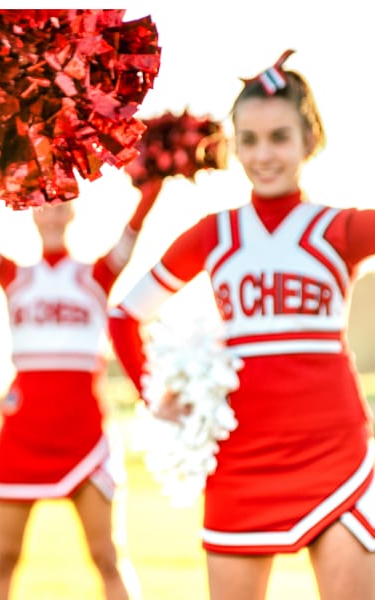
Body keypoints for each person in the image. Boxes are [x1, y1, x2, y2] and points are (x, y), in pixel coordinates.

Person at [108, 50, 375, 600]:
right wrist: (156, 397)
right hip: (241, 459)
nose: (263, 154)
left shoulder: (338, 229)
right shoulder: (215, 235)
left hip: (336, 453)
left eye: (279, 137)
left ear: (310, 140)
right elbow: (123, 315)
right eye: (248, 140)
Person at [0, 179, 162, 600]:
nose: (52, 212)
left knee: (107, 556)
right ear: (31, 212)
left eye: (61, 203)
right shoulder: (14, 276)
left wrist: (162, 173)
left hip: (84, 432)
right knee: (4, 556)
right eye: (42, 204)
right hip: (25, 431)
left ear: (72, 212)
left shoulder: (96, 275)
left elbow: (134, 229)